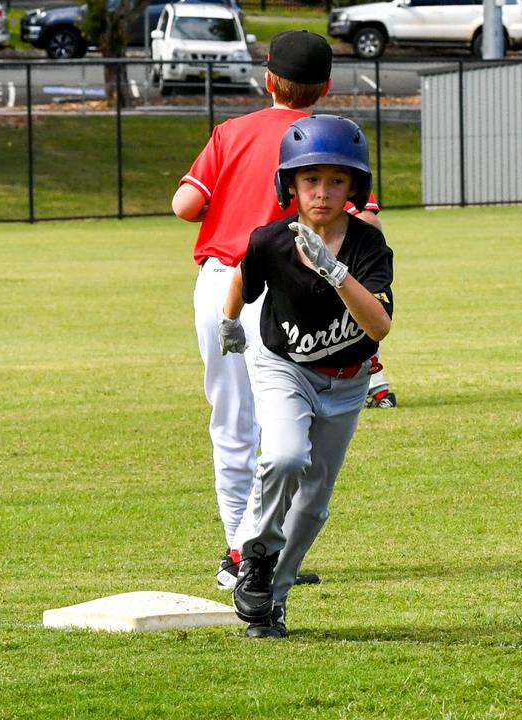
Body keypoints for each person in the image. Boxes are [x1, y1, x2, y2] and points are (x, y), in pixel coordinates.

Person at [172, 31, 395, 593]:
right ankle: (258, 550)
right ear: (325, 86)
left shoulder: (232, 132)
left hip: (223, 281)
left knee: (233, 422)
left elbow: (185, 205)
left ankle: (238, 550)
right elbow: (365, 226)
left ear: (266, 78)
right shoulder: (326, 139)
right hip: (295, 282)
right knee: (287, 432)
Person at [221, 114, 393, 638]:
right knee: (285, 454)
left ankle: (271, 597)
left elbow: (379, 326)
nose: (322, 192)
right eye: (310, 179)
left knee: (314, 504)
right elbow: (243, 274)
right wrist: (229, 321)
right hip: (284, 367)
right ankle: (256, 553)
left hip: (347, 381)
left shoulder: (368, 246)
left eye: (336, 180)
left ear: (354, 188)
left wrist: (335, 272)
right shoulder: (272, 240)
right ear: (288, 185)